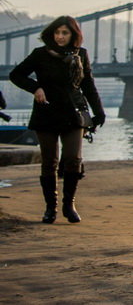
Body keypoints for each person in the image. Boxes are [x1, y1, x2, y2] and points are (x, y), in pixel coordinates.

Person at [8, 15, 106, 224]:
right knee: (49, 162)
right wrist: (36, 88)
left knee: (73, 159)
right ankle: (50, 208)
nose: (60, 37)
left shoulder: (81, 55)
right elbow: (16, 75)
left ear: (73, 35)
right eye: (57, 32)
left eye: (65, 33)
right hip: (46, 113)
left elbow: (88, 85)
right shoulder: (40, 54)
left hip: (73, 113)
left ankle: (68, 204)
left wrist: (99, 112)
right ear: (51, 34)